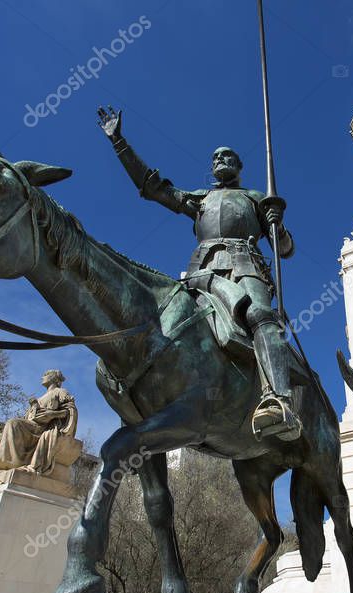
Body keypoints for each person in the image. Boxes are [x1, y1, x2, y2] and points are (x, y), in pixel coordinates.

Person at [97, 106, 300, 441]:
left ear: (238, 165)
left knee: (262, 316)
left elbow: (285, 250)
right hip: (199, 272)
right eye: (216, 157)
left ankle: (279, 398)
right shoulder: (200, 198)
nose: (220, 158)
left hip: (244, 266)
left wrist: (277, 224)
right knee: (165, 321)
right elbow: (153, 188)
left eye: (228, 156)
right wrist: (119, 142)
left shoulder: (254, 198)